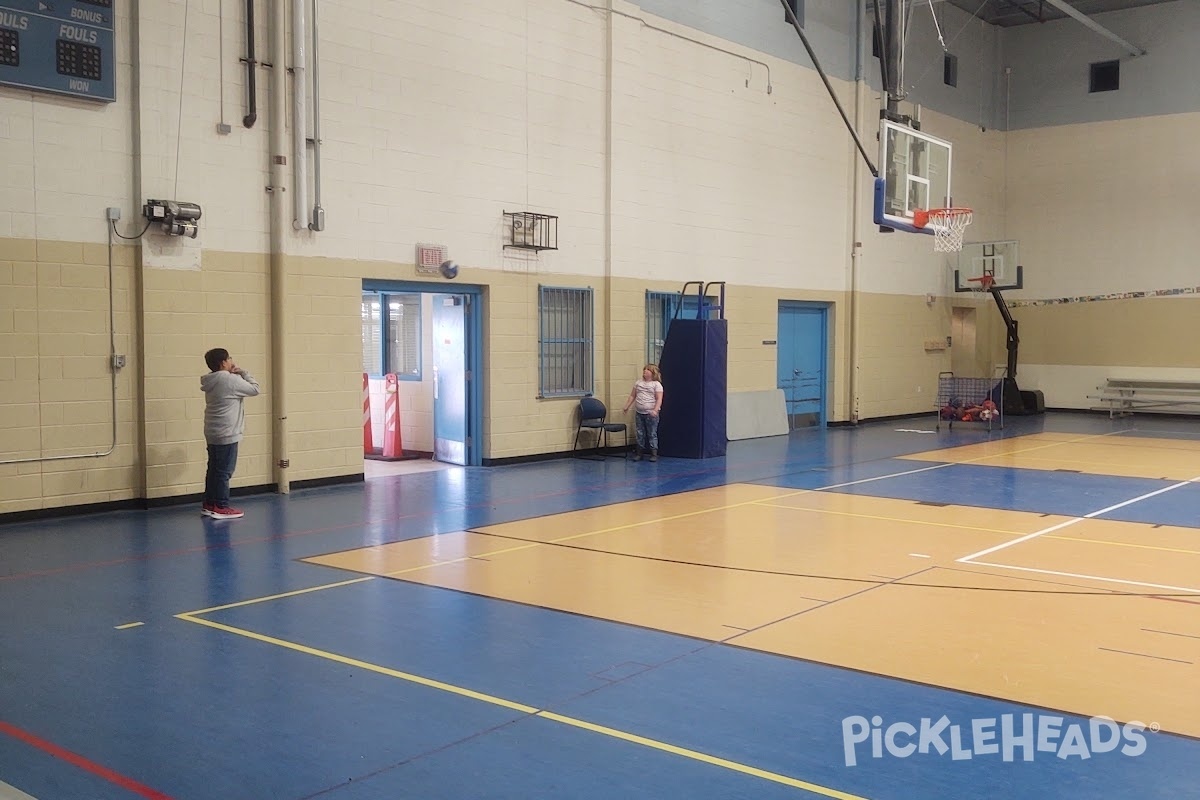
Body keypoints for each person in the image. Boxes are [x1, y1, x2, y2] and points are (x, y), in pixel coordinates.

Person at [200, 348, 260, 519]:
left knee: (213, 469)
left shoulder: (211, 380)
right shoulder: (229, 380)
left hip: (213, 431)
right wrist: (243, 372)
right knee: (224, 472)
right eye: (229, 358)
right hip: (227, 432)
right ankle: (221, 505)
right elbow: (255, 389)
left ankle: (209, 503)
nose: (232, 361)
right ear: (223, 363)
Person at [622, 364, 664, 462]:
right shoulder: (638, 383)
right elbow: (632, 396)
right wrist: (627, 406)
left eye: (647, 370)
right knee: (640, 433)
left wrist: (655, 410)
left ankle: (654, 453)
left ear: (652, 373)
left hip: (651, 413)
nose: (645, 371)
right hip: (639, 412)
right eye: (644, 370)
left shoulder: (656, 385)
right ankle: (639, 452)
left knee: (651, 433)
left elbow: (659, 399)